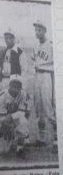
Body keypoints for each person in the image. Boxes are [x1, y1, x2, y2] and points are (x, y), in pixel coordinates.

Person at [31, 21, 56, 152]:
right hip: (37, 77)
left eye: (39, 30)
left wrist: (42, 66)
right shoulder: (35, 46)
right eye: (36, 30)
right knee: (38, 108)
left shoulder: (51, 45)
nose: (37, 32)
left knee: (48, 108)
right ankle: (41, 139)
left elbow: (56, 66)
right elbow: (33, 61)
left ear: (45, 31)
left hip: (46, 76)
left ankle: (58, 141)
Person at [0, 75, 30, 156]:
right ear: (9, 85)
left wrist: (11, 117)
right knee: (2, 151)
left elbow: (23, 112)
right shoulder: (2, 95)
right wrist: (8, 127)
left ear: (21, 87)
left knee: (23, 122)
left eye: (18, 86)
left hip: (14, 119)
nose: (15, 89)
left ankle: (20, 145)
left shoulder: (23, 94)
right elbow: (1, 116)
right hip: (2, 121)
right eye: (13, 86)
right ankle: (10, 140)